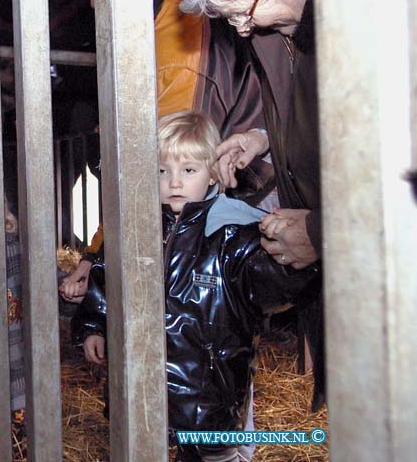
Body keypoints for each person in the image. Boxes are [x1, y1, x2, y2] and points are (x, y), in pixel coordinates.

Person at [72, 111, 320, 462]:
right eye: (162, 170)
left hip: (209, 396)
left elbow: (270, 282)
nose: (174, 183)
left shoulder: (233, 234)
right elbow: (106, 277)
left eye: (188, 170)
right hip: (141, 390)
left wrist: (299, 260)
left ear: (212, 172)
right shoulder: (137, 228)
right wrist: (94, 325)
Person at [59, 0, 271, 304]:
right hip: (225, 186)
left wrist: (97, 257)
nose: (93, 5)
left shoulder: (177, 51)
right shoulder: (157, 24)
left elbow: (156, 165)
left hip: (252, 192)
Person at [173, 0, 325, 410]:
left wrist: (324, 232)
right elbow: (320, 119)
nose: (240, 28)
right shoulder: (274, 34)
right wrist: (262, 139)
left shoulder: (375, 23)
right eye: (228, 14)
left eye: (242, 7)